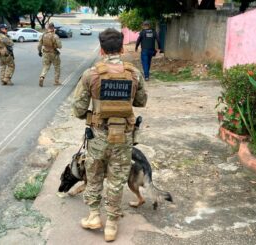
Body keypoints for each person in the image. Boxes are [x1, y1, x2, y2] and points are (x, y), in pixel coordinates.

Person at [72, 28, 148, 242]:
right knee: (116, 181)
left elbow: (78, 109)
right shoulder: (134, 74)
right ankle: (112, 225)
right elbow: (141, 102)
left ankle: (94, 216)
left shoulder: (91, 75)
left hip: (98, 138)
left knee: (94, 177)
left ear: (102, 49)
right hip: (123, 138)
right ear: (122, 48)